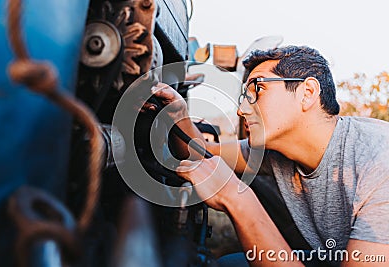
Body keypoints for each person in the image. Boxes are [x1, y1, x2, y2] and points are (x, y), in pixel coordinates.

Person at [150, 45, 389, 266]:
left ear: (307, 92)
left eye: (258, 89)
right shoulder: (275, 152)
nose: (241, 109)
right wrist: (178, 114)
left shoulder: (379, 159)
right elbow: (202, 154)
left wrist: (236, 198)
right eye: (244, 97)